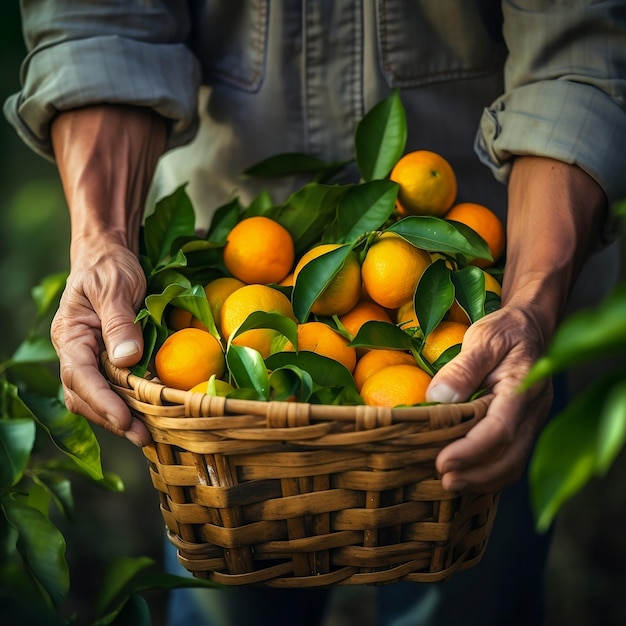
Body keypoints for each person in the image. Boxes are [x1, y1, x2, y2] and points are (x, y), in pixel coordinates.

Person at [5, 1, 625, 625]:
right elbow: (103, 25)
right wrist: (103, 242)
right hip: (235, 268)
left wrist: (531, 300)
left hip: (493, 292)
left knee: (471, 595)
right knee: (229, 598)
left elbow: (582, 48)